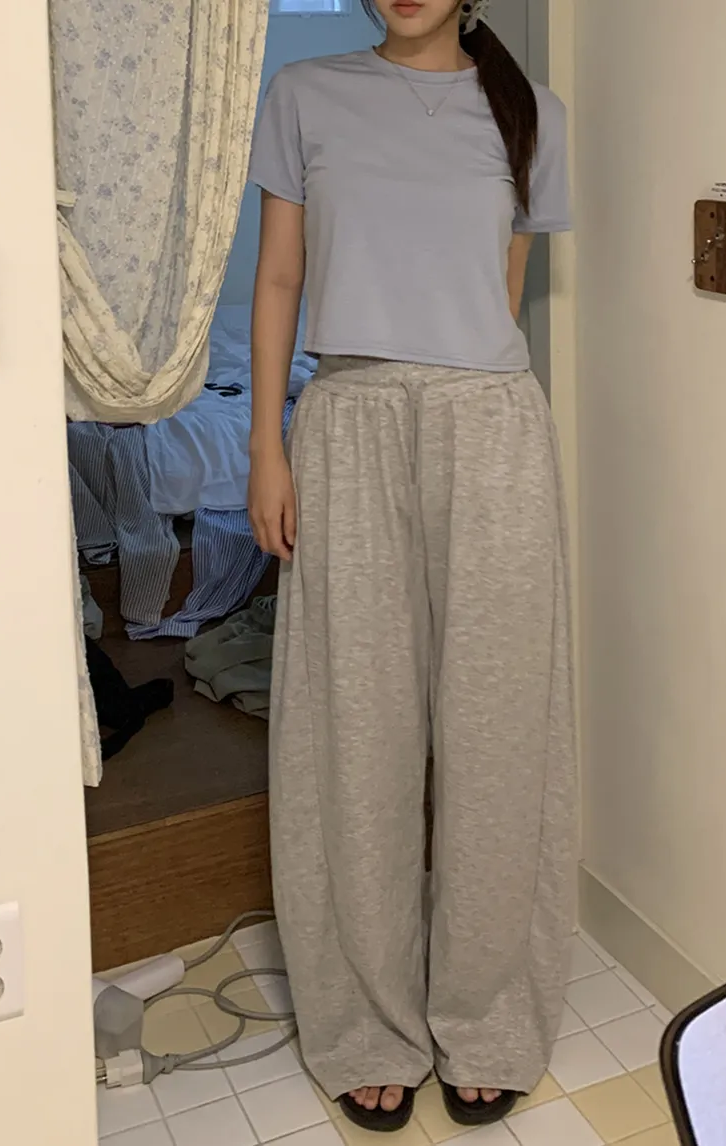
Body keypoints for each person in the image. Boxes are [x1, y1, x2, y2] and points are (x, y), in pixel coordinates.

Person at [247, 0, 576, 1132]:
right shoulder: (305, 96)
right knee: (353, 728)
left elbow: (504, 288)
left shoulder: (532, 113)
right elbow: (279, 279)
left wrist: (456, 397)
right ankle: (366, 1022)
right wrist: (266, 447)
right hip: (347, 417)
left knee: (500, 728)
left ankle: (488, 1015)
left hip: (490, 425)